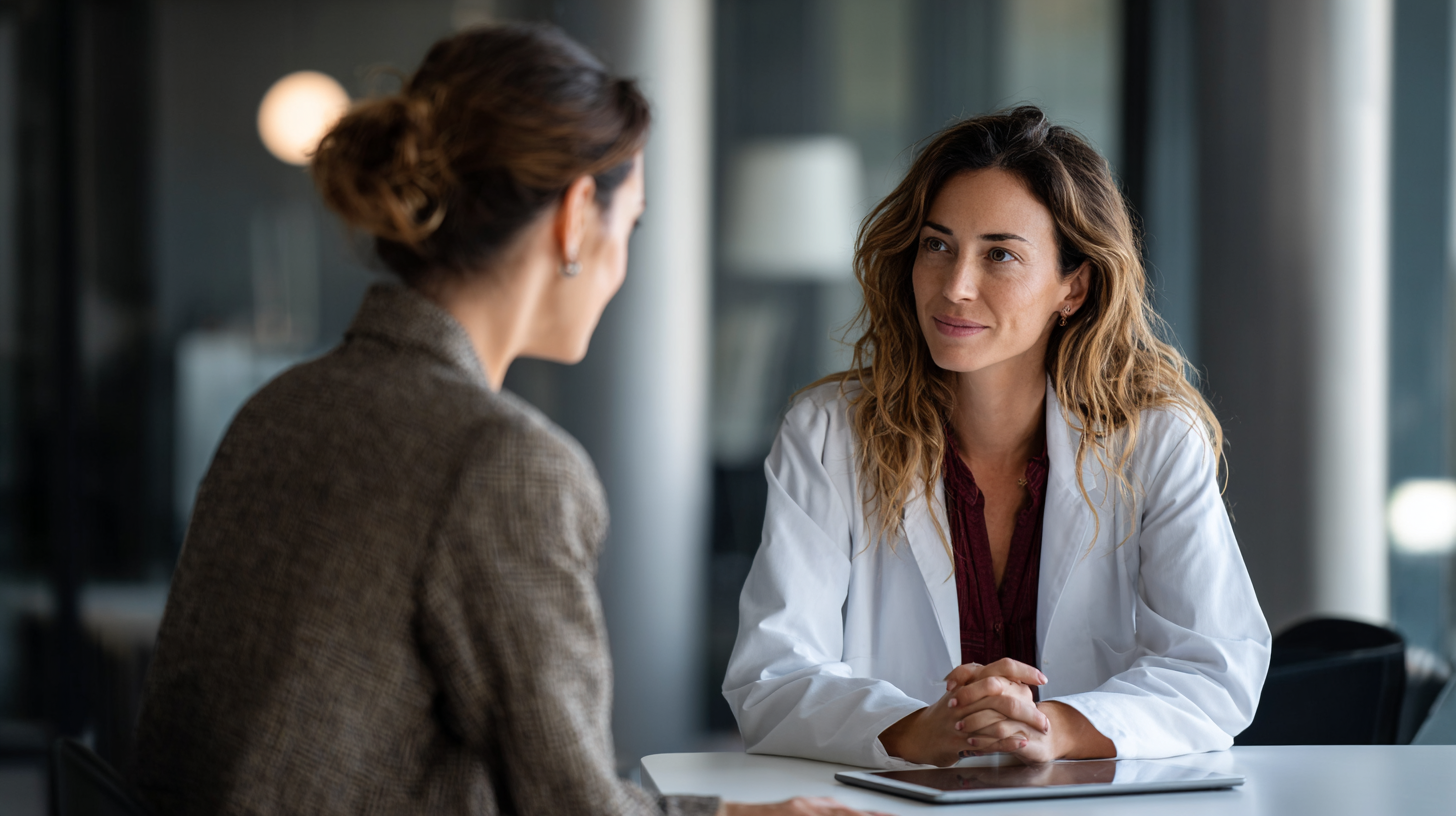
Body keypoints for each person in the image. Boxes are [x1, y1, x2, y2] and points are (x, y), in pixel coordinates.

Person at [133, 24, 882, 816]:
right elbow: (568, 805)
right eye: (630, 225)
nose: (623, 265)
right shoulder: (501, 462)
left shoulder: (281, 406)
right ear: (573, 217)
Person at [723, 106, 1272, 769]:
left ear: (1073, 286)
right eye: (937, 245)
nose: (955, 286)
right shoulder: (827, 431)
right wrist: (915, 729)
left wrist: (1057, 728)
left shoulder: (1155, 439)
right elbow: (772, 676)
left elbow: (1215, 671)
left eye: (1000, 255)